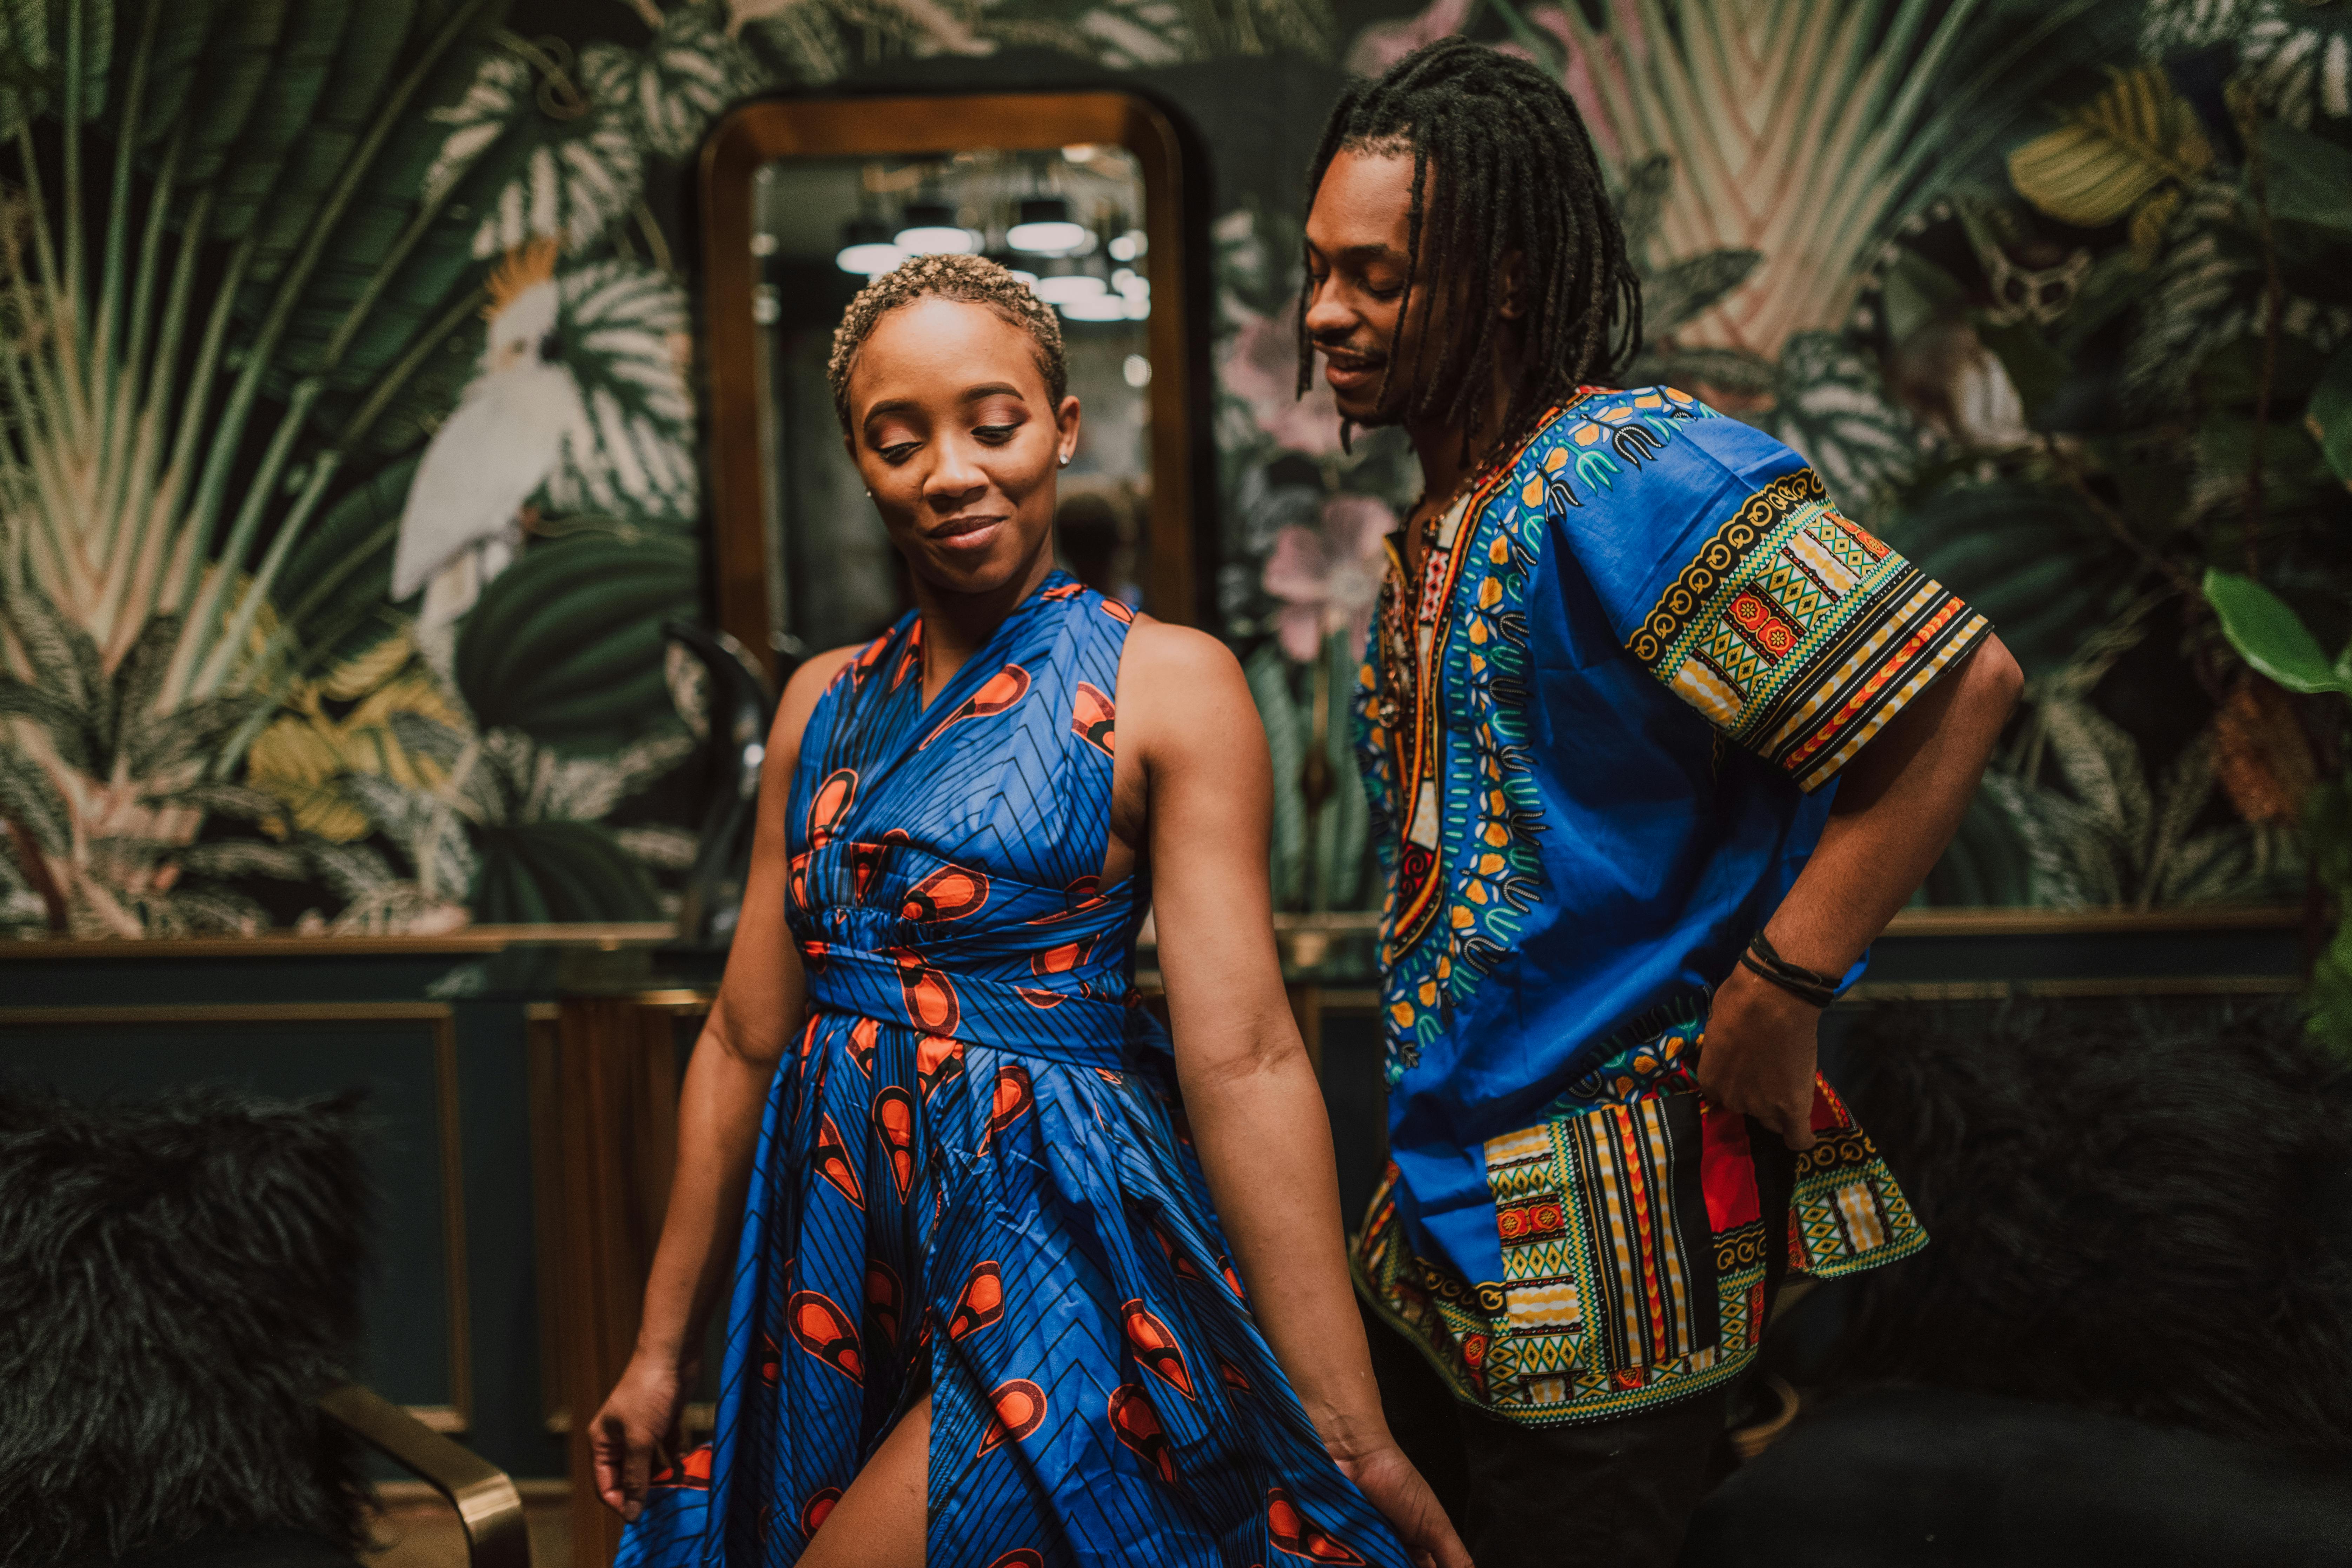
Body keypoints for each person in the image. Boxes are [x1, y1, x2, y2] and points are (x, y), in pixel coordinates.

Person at [589, 253, 1469, 1568]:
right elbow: (738, 1039)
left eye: (993, 423)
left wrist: (1352, 1430)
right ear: (860, 461)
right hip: (838, 1249)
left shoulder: (1168, 684)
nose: (951, 470)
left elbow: (1246, 1053)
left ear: (1063, 428)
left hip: (1057, 1239)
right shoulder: (821, 701)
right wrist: (659, 1351)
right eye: (900, 440)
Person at [1297, 38, 2024, 1568]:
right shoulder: (1445, 514)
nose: (1321, 315)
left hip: (1610, 1226)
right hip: (1444, 1217)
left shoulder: (1626, 470)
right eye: (1315, 271)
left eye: (1372, 277)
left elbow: (1959, 689)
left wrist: (1783, 978)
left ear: (1497, 280)